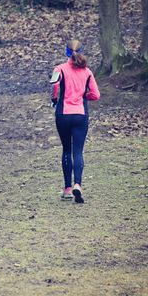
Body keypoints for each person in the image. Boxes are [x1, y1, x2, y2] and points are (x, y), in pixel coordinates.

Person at [50, 40, 100, 203]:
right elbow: (96, 95)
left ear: (66, 52)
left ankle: (67, 189)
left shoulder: (59, 69)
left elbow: (55, 87)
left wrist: (54, 99)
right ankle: (78, 184)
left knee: (66, 150)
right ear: (82, 51)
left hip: (63, 114)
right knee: (78, 151)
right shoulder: (87, 72)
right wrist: (83, 96)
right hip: (80, 115)